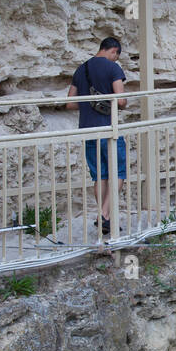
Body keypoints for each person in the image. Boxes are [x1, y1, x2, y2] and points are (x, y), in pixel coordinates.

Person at [67, 37, 128, 234]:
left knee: (100, 175)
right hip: (109, 129)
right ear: (114, 51)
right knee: (118, 172)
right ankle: (103, 214)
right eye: (116, 55)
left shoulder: (81, 69)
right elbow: (120, 101)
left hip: (87, 129)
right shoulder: (113, 68)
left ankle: (106, 217)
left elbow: (70, 103)